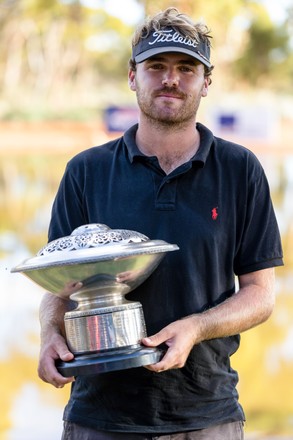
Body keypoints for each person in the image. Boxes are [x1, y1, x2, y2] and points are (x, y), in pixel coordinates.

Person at [38, 7, 283, 440]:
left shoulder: (240, 169)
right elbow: (60, 287)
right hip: (99, 417)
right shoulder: (86, 171)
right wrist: (48, 336)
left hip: (207, 414)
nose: (171, 79)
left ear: (206, 83)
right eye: (156, 66)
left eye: (186, 68)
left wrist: (197, 327)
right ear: (133, 76)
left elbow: (260, 296)